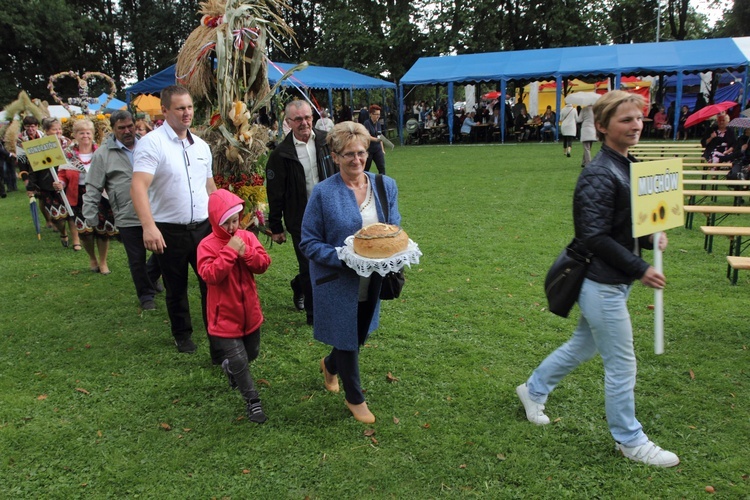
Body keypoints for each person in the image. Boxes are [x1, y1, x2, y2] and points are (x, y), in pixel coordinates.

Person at [516, 90, 679, 468]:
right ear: (602, 126)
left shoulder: (627, 164)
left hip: (613, 282)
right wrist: (641, 268)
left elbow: (628, 221)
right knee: (623, 365)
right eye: (626, 119)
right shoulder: (598, 174)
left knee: (583, 345)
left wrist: (652, 235)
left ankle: (533, 390)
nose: (636, 124)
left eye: (639, 118)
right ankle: (630, 439)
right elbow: (593, 236)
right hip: (601, 284)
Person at [299, 121, 401, 424]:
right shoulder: (323, 193)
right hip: (337, 278)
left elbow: (394, 228)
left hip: (374, 277)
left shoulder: (385, 186)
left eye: (361, 153)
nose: (356, 160)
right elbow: (309, 241)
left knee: (357, 332)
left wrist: (395, 250)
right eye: (348, 154)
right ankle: (354, 397)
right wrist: (343, 259)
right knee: (346, 334)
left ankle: (330, 365)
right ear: (335, 156)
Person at [131, 85, 217, 354]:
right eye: (180, 108)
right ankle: (182, 335)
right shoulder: (151, 144)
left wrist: (222, 220)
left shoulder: (202, 146)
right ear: (165, 110)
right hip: (169, 229)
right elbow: (138, 187)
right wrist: (149, 226)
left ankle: (217, 332)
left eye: (190, 107)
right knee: (175, 285)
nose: (187, 113)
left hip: (203, 228)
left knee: (211, 284)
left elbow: (210, 187)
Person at [197, 189, 271, 423]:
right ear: (215, 221)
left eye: (235, 220)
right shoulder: (207, 246)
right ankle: (253, 400)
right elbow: (210, 275)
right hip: (224, 316)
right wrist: (229, 253)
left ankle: (231, 369)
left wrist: (246, 251)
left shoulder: (247, 238)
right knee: (240, 360)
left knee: (252, 353)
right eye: (226, 223)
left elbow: (263, 264)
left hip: (250, 312)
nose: (232, 228)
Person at [265, 100, 337, 325]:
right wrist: (276, 226)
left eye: (307, 117)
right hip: (301, 219)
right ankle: (314, 315)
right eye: (298, 119)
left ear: (313, 118)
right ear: (288, 122)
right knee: (308, 265)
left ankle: (299, 285)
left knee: (330, 260)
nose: (304, 123)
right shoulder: (280, 154)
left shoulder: (328, 141)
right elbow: (275, 193)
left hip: (331, 214)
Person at [83, 110, 162, 311]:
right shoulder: (103, 154)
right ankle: (146, 295)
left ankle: (151, 277)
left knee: (164, 251)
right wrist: (90, 214)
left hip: (156, 210)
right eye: (121, 128)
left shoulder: (148, 144)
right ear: (113, 129)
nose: (127, 131)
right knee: (136, 259)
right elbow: (93, 186)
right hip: (127, 214)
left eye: (130, 126)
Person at [58, 119, 115, 273]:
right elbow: (62, 175)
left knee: (103, 230)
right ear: (75, 135)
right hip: (78, 195)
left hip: (100, 194)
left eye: (88, 132)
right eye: (81, 132)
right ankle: (92, 258)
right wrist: (60, 184)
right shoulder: (68, 154)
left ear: (93, 134)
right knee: (85, 232)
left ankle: (103, 262)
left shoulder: (101, 152)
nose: (85, 135)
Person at [363, 105, 386, 175]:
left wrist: (382, 150)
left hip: (377, 149)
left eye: (379, 114)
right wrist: (376, 140)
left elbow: (380, 137)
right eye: (377, 114)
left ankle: (382, 183)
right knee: (366, 168)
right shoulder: (366, 123)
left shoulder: (378, 124)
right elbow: (367, 136)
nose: (378, 116)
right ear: (371, 114)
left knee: (382, 167)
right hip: (369, 150)